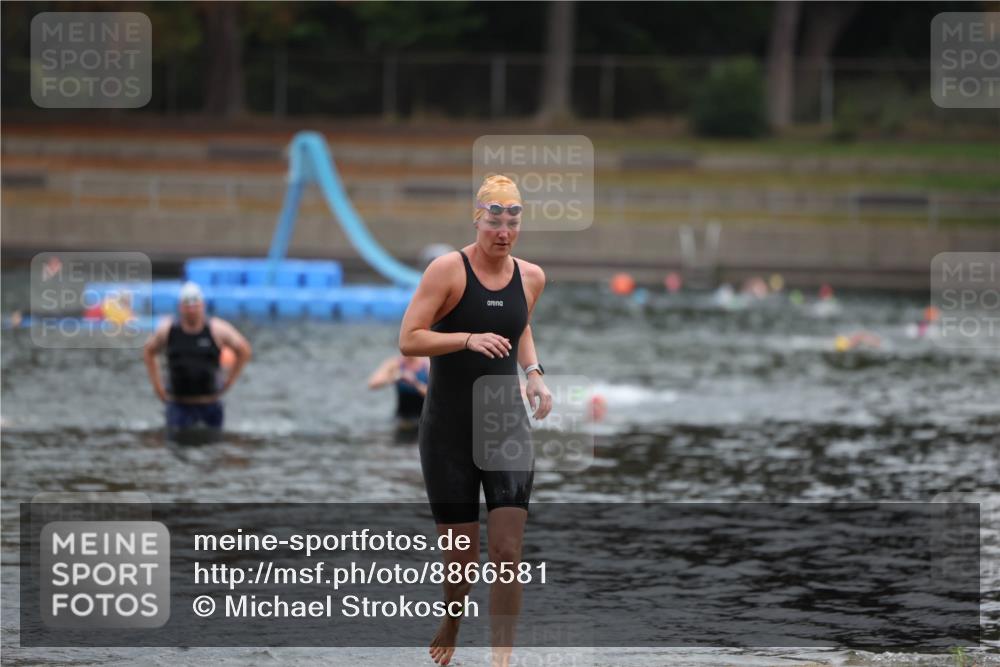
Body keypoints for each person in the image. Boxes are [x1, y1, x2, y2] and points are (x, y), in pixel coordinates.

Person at [399, 174, 552, 667]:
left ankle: (501, 660)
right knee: (461, 557)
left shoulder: (531, 277)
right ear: (478, 218)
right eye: (494, 220)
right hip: (446, 431)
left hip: (503, 424)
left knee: (507, 551)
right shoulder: (448, 270)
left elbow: (518, 323)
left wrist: (533, 373)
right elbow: (409, 338)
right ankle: (452, 620)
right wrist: (465, 338)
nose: (503, 231)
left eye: (512, 221)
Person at [143, 282, 251, 438]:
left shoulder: (217, 329)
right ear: (181, 307)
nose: (192, 309)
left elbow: (244, 350)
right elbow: (148, 351)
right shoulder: (168, 330)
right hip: (178, 406)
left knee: (212, 450)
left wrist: (230, 380)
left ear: (203, 305)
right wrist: (157, 386)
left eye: (195, 304)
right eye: (187, 305)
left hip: (210, 404)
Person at [367, 353, 430, 428]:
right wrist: (396, 377)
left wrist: (415, 384)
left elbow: (434, 395)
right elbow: (372, 384)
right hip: (402, 418)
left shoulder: (426, 364)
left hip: (424, 418)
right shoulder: (395, 364)